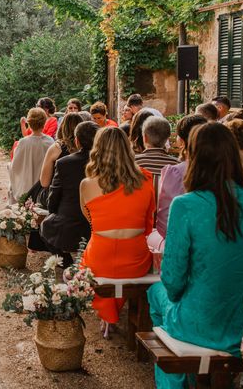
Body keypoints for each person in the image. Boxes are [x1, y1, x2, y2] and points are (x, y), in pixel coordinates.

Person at [148, 123, 243, 389]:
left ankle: (177, 379)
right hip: (240, 324)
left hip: (198, 323)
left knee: (154, 293)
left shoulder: (186, 205)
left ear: (193, 157)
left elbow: (172, 279)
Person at [80, 127, 154, 335]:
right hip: (135, 257)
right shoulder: (145, 180)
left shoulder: (87, 184)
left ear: (98, 149)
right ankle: (111, 313)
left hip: (100, 256)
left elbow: (91, 221)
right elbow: (149, 220)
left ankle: (107, 313)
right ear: (128, 148)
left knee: (87, 261)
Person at [41, 121, 99, 267]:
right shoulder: (106, 162)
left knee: (45, 226)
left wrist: (53, 212)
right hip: (98, 221)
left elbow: (54, 197)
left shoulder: (64, 163)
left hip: (69, 223)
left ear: (77, 141)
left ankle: (65, 261)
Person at [155, 114, 207, 239]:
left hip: (185, 242)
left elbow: (165, 223)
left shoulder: (176, 172)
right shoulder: (226, 169)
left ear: (181, 141)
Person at [8, 108, 53, 203]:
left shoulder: (23, 142)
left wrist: (9, 166)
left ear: (29, 123)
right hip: (43, 188)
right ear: (44, 122)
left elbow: (15, 166)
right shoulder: (50, 141)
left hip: (25, 187)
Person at [39, 113, 82, 189]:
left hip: (60, 195)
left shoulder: (56, 148)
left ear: (62, 127)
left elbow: (44, 182)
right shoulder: (89, 148)